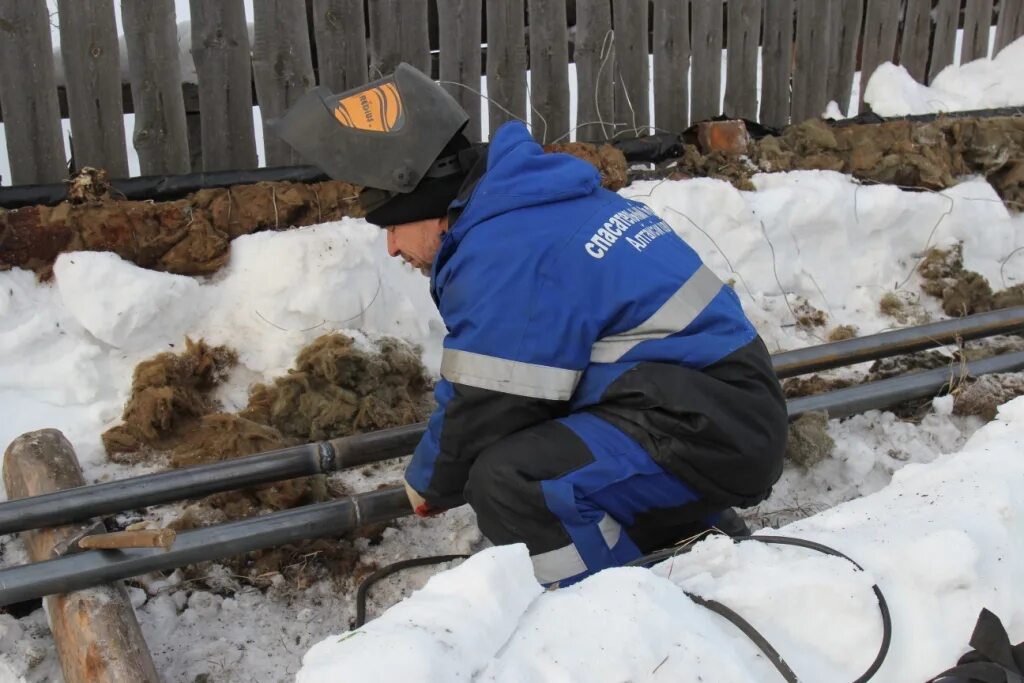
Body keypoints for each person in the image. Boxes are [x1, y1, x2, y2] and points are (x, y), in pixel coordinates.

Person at [273, 63, 788, 586]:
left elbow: (489, 399)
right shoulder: (534, 206)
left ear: (424, 200)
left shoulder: (506, 249)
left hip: (706, 427)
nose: (392, 247)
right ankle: (702, 547)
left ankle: (611, 623)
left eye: (392, 226)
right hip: (720, 411)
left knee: (512, 481)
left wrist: (427, 483)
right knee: (547, 444)